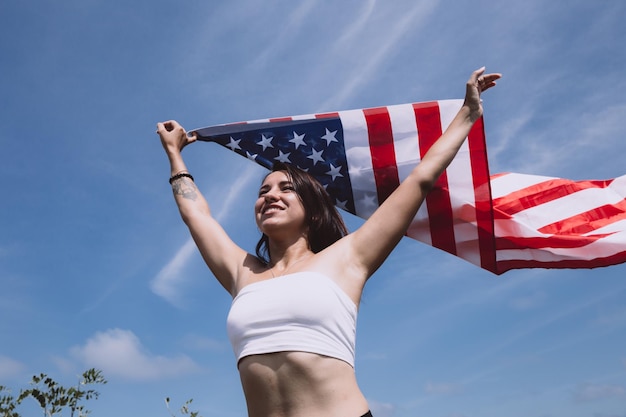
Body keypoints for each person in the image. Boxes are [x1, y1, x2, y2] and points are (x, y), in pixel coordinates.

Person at [156, 67, 501, 417]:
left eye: (285, 189)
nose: (270, 196)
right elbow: (196, 215)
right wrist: (175, 154)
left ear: (312, 208)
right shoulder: (240, 272)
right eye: (263, 191)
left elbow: (420, 180)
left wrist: (467, 114)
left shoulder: (347, 258)